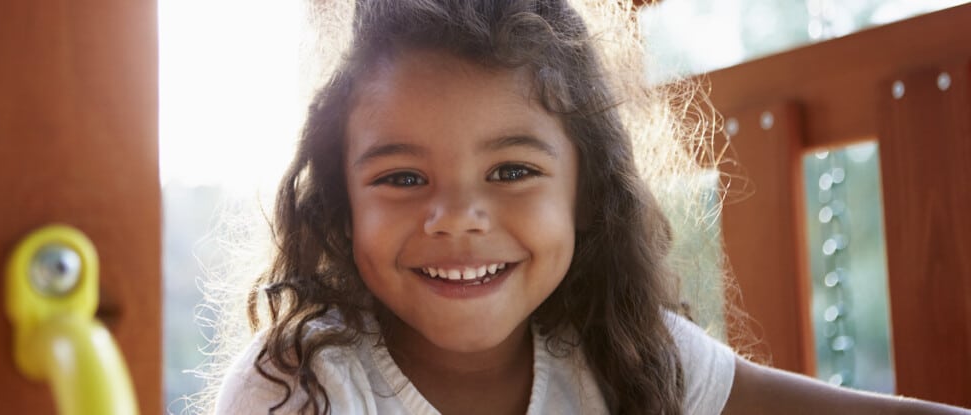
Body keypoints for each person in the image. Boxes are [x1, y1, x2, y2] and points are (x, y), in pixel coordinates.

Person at [214, 1, 971, 414]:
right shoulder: (301, 382)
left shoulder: (624, 352)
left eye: (511, 169)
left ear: (588, 195)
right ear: (343, 207)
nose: (458, 216)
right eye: (402, 178)